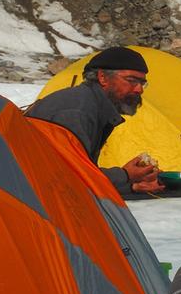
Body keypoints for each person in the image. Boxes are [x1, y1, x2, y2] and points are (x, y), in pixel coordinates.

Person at [24, 46, 163, 196]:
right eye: (131, 80)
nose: (139, 90)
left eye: (142, 83)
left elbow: (82, 176)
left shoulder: (93, 105)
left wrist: (132, 187)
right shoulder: (76, 112)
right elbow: (71, 177)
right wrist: (125, 175)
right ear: (102, 77)